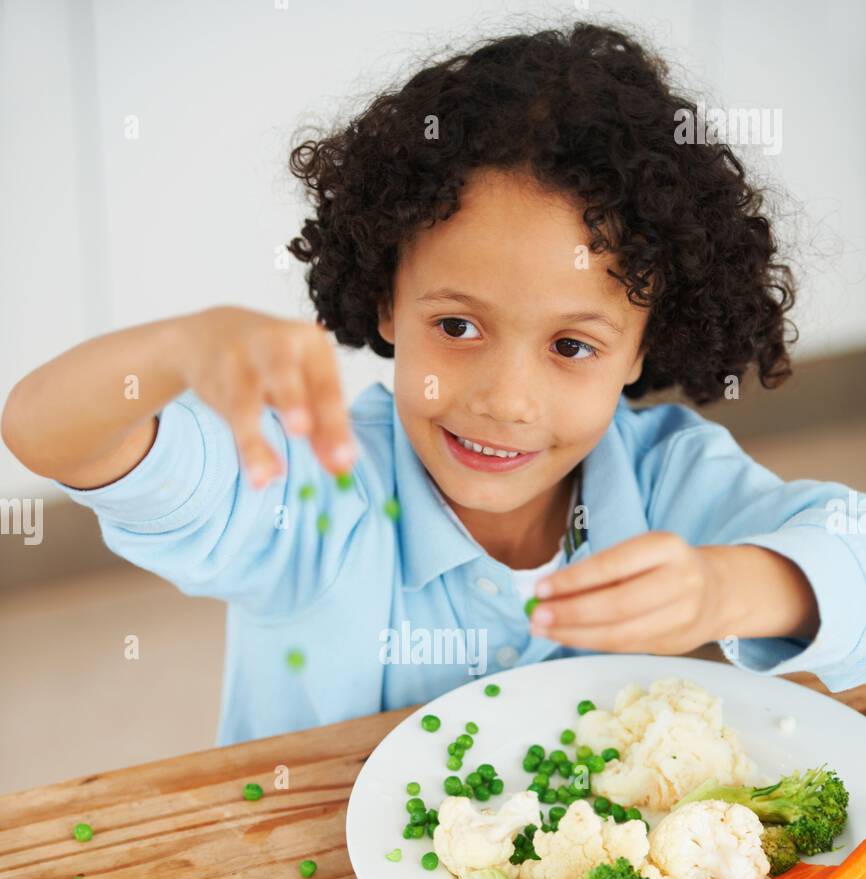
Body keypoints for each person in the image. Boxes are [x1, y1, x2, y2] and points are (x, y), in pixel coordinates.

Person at [4, 21, 865, 746]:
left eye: (571, 345)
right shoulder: (310, 487)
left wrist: (727, 588)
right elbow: (49, 434)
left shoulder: (665, 477)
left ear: (643, 348)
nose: (505, 399)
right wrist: (179, 347)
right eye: (457, 327)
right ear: (386, 301)